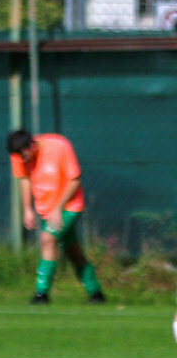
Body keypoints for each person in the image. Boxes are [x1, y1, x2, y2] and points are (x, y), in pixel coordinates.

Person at [7, 129, 104, 305]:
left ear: (32, 145)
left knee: (47, 238)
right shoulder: (18, 155)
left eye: (24, 155)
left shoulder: (59, 146)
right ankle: (96, 293)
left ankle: (41, 294)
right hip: (47, 210)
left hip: (68, 206)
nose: (22, 160)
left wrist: (58, 208)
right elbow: (25, 178)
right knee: (72, 250)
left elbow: (75, 180)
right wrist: (27, 209)